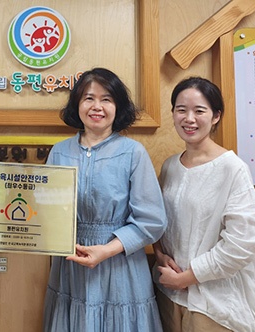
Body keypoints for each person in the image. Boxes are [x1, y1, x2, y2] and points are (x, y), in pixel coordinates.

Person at [42, 68, 167, 332]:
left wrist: (106, 250)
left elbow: (152, 220)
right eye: (88, 98)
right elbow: (45, 211)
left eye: (106, 99)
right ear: (77, 105)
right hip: (71, 265)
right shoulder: (59, 152)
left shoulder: (133, 152)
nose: (96, 106)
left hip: (120, 263)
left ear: (117, 107)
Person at [152, 77, 255, 332]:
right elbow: (160, 222)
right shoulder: (171, 166)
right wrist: (160, 256)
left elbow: (244, 241)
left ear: (216, 116)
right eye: (181, 110)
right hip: (171, 296)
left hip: (216, 305)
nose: (189, 118)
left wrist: (187, 277)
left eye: (199, 111)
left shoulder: (232, 168)